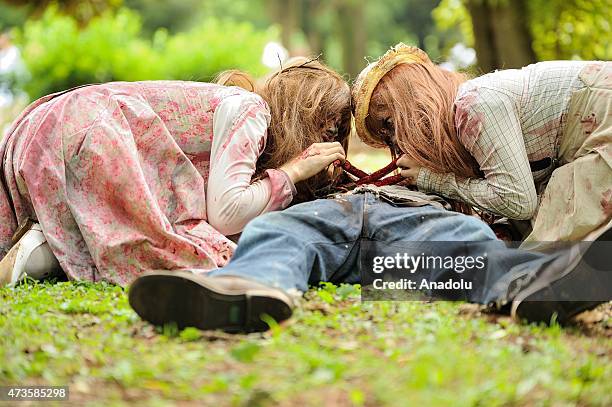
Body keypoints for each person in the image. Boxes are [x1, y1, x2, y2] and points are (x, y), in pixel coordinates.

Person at [0, 58, 351, 287]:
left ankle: (40, 248)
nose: (324, 145)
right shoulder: (251, 109)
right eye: (327, 130)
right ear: (302, 114)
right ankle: (40, 251)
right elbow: (227, 213)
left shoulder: (235, 108)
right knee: (211, 254)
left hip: (44, 132)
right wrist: (291, 172)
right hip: (90, 130)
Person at [128, 185, 610, 333]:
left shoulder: (434, 168)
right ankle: (247, 288)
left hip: (414, 223)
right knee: (277, 233)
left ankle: (537, 282)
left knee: (460, 249)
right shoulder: (308, 169)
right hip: (324, 214)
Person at [351, 43, 611, 248]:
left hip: (602, 117)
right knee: (542, 233)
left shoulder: (473, 104)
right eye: (386, 137)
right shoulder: (469, 110)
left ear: (410, 98)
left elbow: (518, 201)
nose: (396, 140)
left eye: (389, 123)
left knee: (549, 251)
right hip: (590, 133)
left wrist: (434, 179)